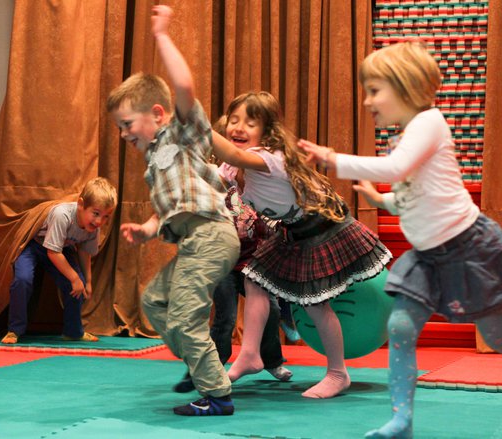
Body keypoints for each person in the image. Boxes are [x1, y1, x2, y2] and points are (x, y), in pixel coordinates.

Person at [298, 41, 502, 439]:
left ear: (407, 87)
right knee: (400, 326)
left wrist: (334, 158)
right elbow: (405, 200)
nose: (367, 102)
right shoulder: (404, 139)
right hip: (428, 256)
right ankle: (402, 421)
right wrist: (378, 199)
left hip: (468, 247)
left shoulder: (430, 122)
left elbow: (397, 167)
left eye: (375, 90)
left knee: (499, 335)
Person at [211, 91, 392, 399]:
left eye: (249, 123)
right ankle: (251, 355)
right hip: (292, 232)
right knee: (254, 279)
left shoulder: (267, 158)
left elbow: (235, 155)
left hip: (321, 231)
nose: (238, 128)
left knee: (315, 303)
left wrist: (191, 122)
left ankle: (338, 373)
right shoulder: (242, 168)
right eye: (234, 120)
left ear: (266, 133)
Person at [108, 5, 240, 416]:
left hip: (212, 235)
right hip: (193, 242)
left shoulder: (182, 134)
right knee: (155, 302)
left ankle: (217, 395)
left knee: (184, 316)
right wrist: (148, 229)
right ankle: (201, 365)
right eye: (119, 127)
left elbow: (183, 84)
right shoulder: (156, 162)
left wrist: (162, 35)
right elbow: (168, 208)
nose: (124, 133)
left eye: (128, 123)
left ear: (158, 115)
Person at [173, 116, 293, 394]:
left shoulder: (261, 176)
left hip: (254, 258)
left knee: (270, 311)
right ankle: (206, 369)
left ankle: (271, 360)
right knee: (224, 315)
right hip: (225, 259)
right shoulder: (220, 177)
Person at [1, 176, 117, 345]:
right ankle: (14, 329)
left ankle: (73, 331)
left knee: (78, 285)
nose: (100, 221)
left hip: (61, 249)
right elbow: (52, 253)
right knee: (23, 279)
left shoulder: (93, 228)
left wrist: (87, 281)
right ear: (81, 204)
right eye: (96, 213)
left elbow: (84, 252)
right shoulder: (62, 215)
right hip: (35, 246)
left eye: (106, 216)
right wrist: (75, 278)